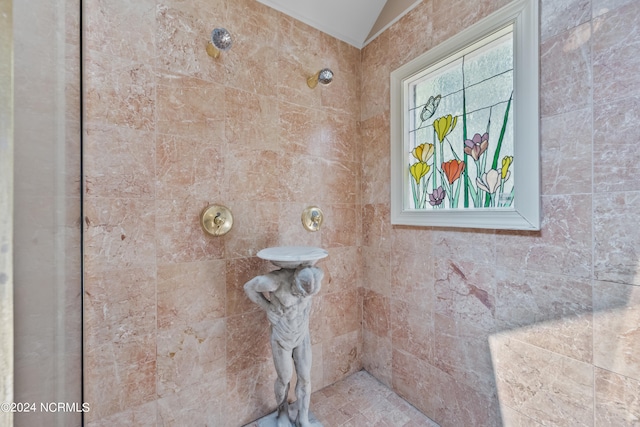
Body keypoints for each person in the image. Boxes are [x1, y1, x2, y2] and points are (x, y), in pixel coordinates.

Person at [244, 266, 324, 427]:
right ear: (294, 280)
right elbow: (249, 287)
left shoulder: (314, 277)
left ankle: (303, 419)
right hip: (282, 338)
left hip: (302, 335)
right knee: (284, 378)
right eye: (298, 292)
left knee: (305, 378)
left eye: (306, 295)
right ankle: (283, 415)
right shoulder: (275, 281)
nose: (302, 296)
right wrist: (268, 308)